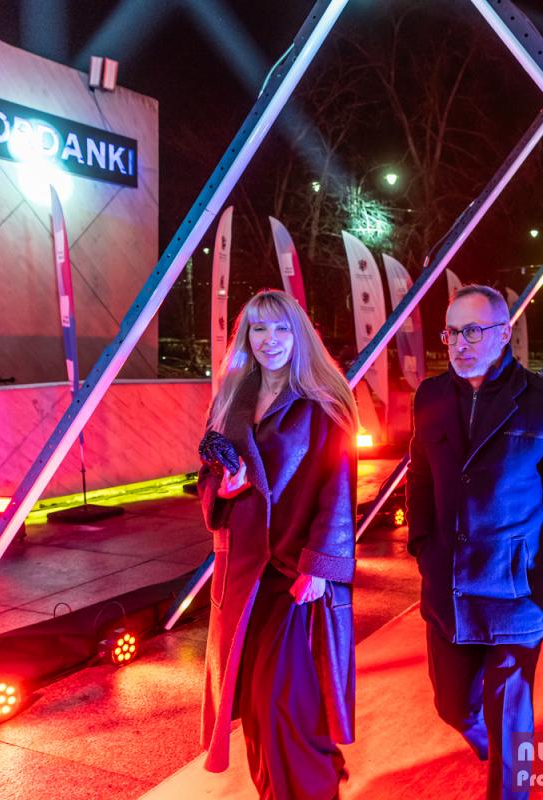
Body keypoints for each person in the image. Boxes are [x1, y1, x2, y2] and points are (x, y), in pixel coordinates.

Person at [407, 284, 543, 800]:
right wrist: (422, 545)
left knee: (509, 727)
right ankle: (485, 742)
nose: (460, 343)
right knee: (452, 707)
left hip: (516, 593)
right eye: (452, 332)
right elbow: (420, 477)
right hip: (448, 589)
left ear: (504, 333)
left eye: (473, 331)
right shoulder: (431, 396)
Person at [197, 289, 358, 800]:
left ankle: (313, 786)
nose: (270, 340)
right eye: (259, 329)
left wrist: (320, 566)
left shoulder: (323, 403)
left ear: (299, 335)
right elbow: (208, 481)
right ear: (246, 337)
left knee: (282, 702)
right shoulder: (231, 401)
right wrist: (224, 487)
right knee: (253, 703)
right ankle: (281, 788)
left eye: (282, 328)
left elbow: (338, 488)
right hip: (244, 577)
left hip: (295, 575)